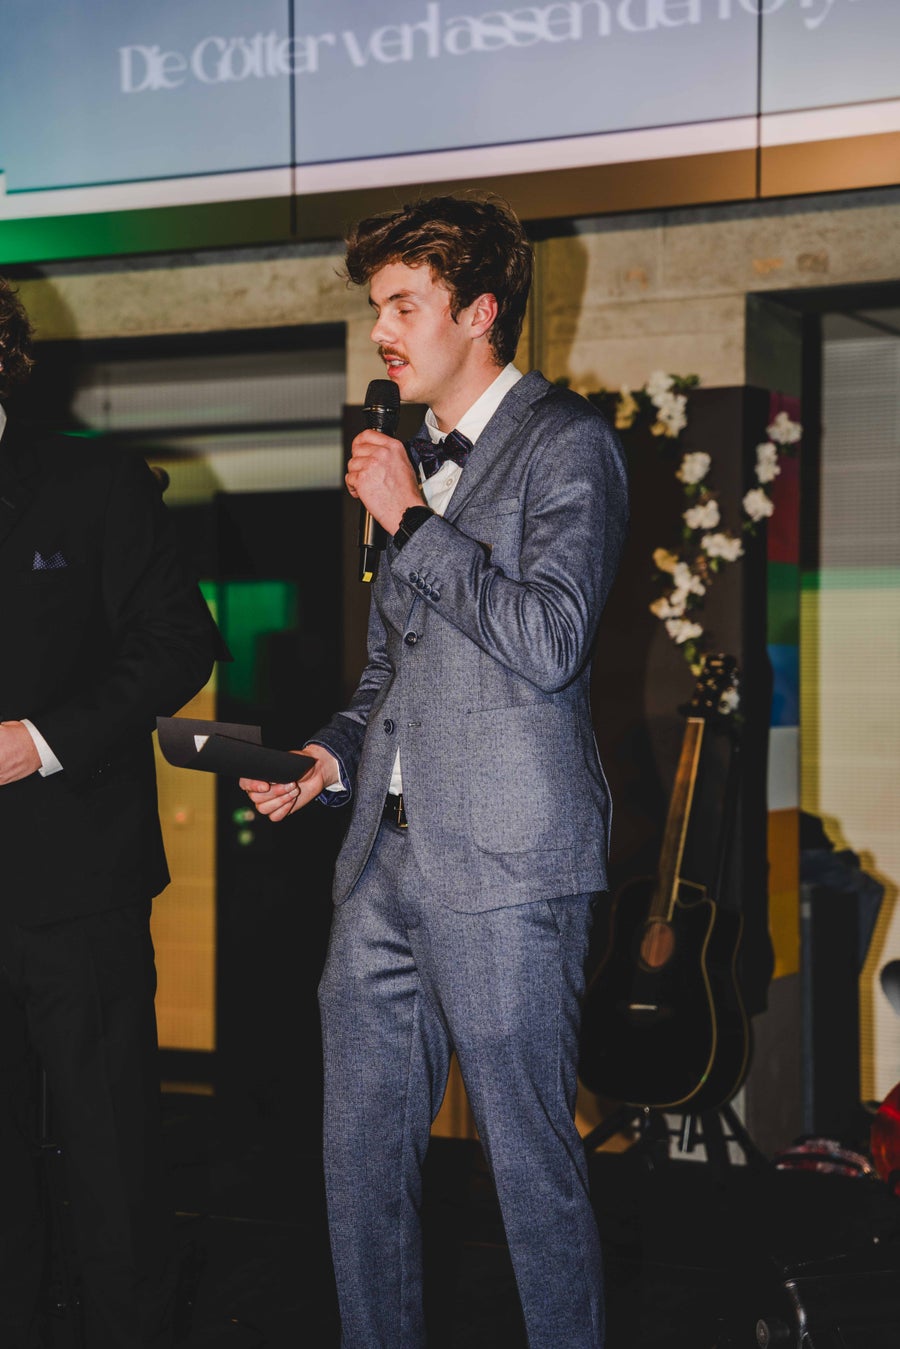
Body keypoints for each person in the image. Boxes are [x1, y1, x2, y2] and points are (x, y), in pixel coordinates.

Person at [242, 194, 629, 1348]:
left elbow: (550, 639)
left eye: (405, 305)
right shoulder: (408, 464)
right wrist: (330, 753)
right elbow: (389, 673)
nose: (382, 332)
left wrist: (413, 522)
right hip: (384, 862)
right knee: (360, 1167)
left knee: (531, 1171)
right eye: (378, 308)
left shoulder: (569, 444)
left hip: (508, 865)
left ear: (480, 310)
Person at [0, 276, 218, 1348]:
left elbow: (180, 643)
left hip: (76, 881)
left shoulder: (97, 483)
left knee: (111, 1151)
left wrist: (38, 738)